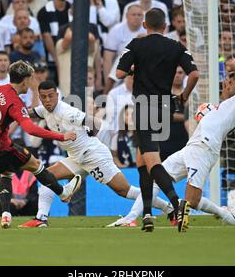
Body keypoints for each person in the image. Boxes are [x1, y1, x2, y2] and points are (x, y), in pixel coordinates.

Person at [18, 80, 172, 228]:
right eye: (43, 97)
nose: (47, 100)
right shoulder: (44, 110)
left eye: (51, 96)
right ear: (39, 97)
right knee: (46, 176)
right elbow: (30, 113)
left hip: (92, 155)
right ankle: (41, 218)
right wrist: (16, 111)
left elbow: (96, 123)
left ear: (57, 96)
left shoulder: (67, 112)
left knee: (125, 191)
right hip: (76, 158)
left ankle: (169, 209)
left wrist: (90, 135)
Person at [0, 60, 81, 228]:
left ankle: (5, 214)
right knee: (35, 165)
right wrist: (61, 136)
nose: (32, 83)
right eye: (31, 79)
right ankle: (63, 193)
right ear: (25, 80)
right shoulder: (15, 102)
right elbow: (30, 129)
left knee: (5, 172)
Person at [116, 8, 200, 232]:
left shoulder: (136, 44)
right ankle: (147, 214)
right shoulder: (175, 46)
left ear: (145, 25)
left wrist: (134, 69)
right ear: (165, 27)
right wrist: (184, 96)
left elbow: (118, 74)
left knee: (152, 162)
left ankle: (176, 205)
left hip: (144, 106)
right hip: (164, 107)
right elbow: (194, 74)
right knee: (142, 162)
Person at [162, 57, 235, 232]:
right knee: (156, 177)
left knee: (192, 201)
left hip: (205, 149)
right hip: (190, 148)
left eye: (230, 81)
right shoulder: (221, 107)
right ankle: (135, 216)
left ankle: (214, 214)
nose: (226, 84)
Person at [102, 4, 145, 94]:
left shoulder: (147, 30)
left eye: (139, 15)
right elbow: (108, 59)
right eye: (134, 15)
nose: (136, 17)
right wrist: (107, 84)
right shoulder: (116, 30)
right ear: (126, 16)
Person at [37, 0, 72, 84]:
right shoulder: (45, 11)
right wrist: (57, 59)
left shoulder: (72, 9)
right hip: (52, 60)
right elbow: (46, 36)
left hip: (70, 57)